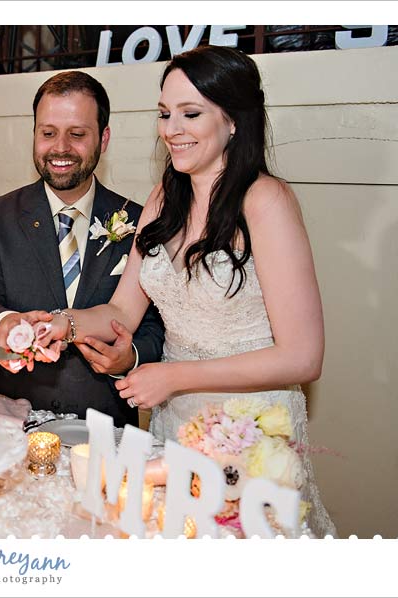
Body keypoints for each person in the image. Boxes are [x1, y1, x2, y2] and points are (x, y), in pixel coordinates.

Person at [33, 46, 336, 536]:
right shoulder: (163, 198)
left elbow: (303, 356)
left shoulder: (265, 201)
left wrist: (174, 376)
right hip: (176, 426)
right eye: (164, 113)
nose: (172, 129)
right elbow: (121, 311)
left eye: (190, 113)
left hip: (252, 432)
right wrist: (57, 323)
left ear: (234, 120)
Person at [0, 70, 165, 428]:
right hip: (10, 420)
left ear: (103, 139)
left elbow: (154, 327)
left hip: (106, 426)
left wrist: (128, 357)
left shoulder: (140, 221)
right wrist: (5, 323)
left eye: (77, 134)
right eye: (48, 133)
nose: (60, 148)